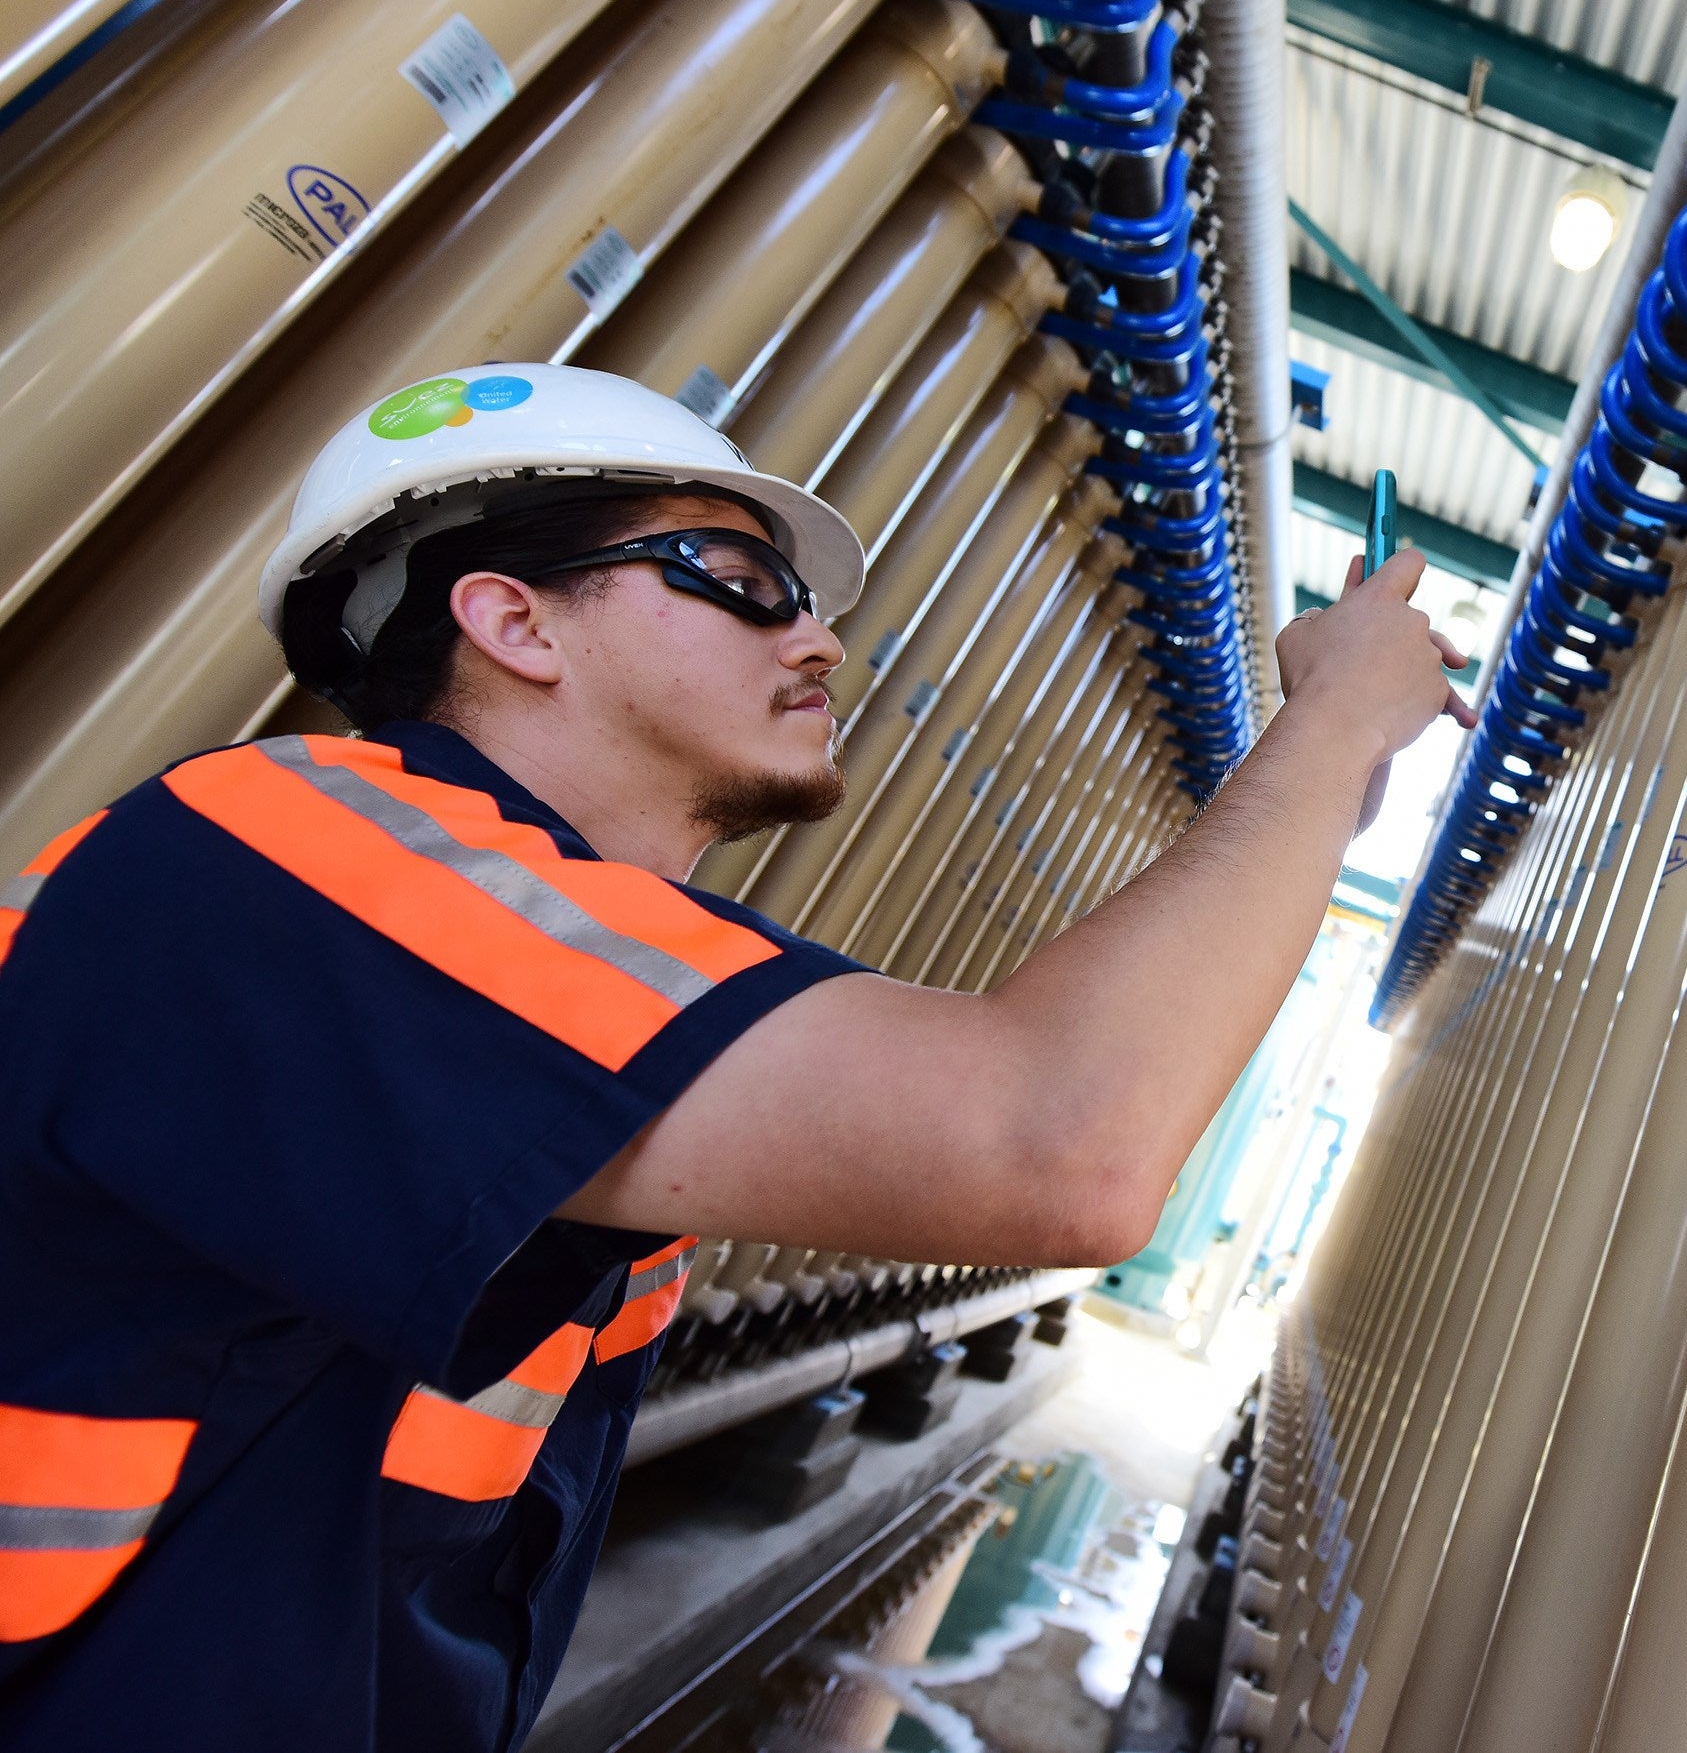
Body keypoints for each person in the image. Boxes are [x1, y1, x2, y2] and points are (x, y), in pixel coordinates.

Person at [0, 364, 1472, 1749]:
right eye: (746, 584)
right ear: (517, 622)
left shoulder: (525, 947)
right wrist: (1330, 725)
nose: (820, 638)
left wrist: (1314, 792)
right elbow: (1058, 1137)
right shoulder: (304, 865)